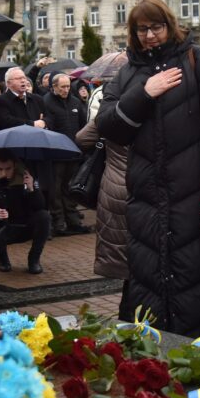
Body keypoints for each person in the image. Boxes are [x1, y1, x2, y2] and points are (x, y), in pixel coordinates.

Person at [97, 0, 200, 343]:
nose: (149, 36)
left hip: (194, 193)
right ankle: (154, 354)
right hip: (146, 198)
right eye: (141, 29)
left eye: (156, 27)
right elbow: (109, 125)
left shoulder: (198, 61)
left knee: (198, 277)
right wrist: (144, 93)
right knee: (148, 277)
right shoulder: (128, 72)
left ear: (169, 25)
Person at [77, 119, 131, 316]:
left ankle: (126, 316)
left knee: (124, 261)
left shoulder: (111, 111)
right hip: (142, 187)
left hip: (112, 188)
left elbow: (83, 138)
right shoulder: (151, 108)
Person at [0, 154, 50, 273]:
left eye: (8, 169)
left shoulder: (25, 179)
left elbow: (41, 206)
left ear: (15, 167)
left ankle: (34, 259)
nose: (4, 173)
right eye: (0, 169)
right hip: (4, 227)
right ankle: (2, 258)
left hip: (25, 224)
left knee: (44, 217)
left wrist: (32, 189)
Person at [44, 73, 90, 235]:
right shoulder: (46, 102)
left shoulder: (75, 102)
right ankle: (59, 223)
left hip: (74, 152)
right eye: (62, 87)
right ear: (54, 87)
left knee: (70, 188)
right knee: (55, 190)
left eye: (68, 87)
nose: (66, 90)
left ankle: (73, 221)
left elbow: (83, 126)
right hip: (56, 154)